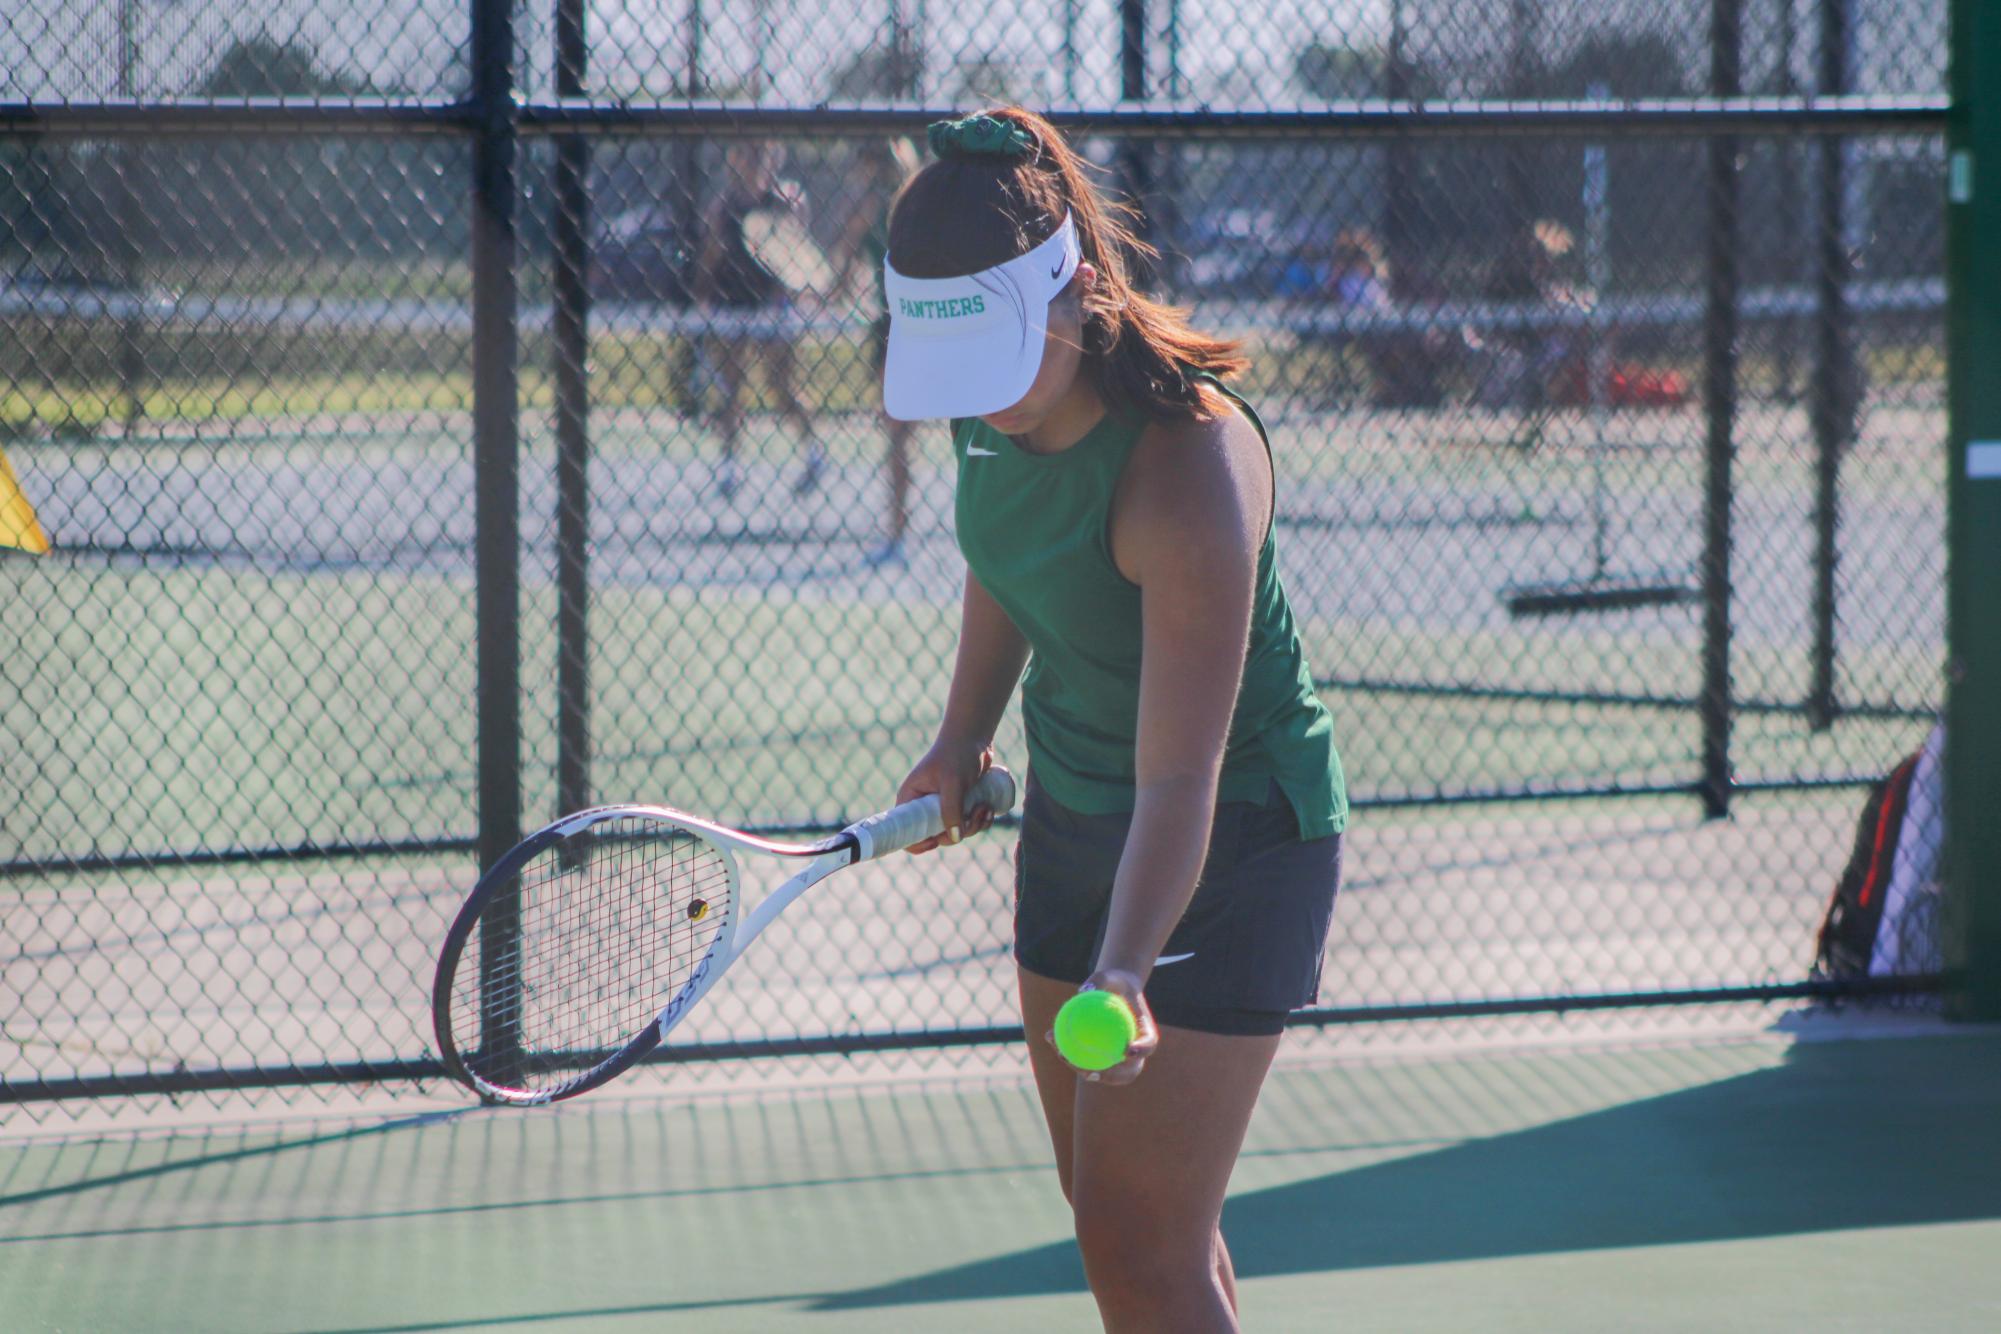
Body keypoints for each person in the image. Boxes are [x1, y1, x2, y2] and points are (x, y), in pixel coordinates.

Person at [882, 108, 1346, 1332]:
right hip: (1080, 819)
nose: (981, 411)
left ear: (1076, 297)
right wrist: (960, 734)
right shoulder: (1000, 405)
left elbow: (1185, 776)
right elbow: (1008, 555)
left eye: (995, 369)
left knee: (1141, 1242)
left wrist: (1130, 965)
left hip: (1233, 836)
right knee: (1126, 1223)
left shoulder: (1187, 473)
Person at [694, 141, 826, 498]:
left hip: (772, 308)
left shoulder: (785, 203)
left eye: (760, 157)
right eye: (746, 155)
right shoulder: (723, 207)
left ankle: (815, 453)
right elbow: (709, 258)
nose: (752, 163)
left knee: (782, 388)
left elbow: (795, 254)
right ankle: (729, 467)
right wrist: (702, 298)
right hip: (732, 307)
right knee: (730, 390)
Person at [830, 137, 923, 566]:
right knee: (902, 435)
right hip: (902, 327)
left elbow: (842, 271)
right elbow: (844, 273)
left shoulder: (897, 206)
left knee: (900, 435)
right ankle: (898, 534)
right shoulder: (912, 203)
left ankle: (899, 534)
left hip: (910, 329)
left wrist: (833, 285)